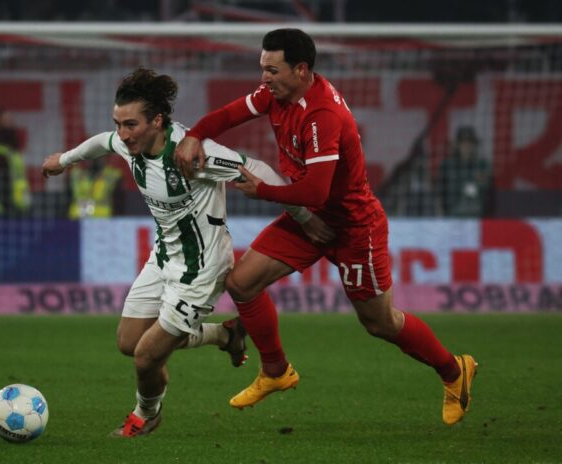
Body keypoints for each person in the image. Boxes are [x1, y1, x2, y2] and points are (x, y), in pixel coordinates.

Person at [175, 28, 477, 426]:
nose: (264, 77)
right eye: (262, 68)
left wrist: (262, 190)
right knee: (242, 282)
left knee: (379, 323)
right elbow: (230, 114)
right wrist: (195, 135)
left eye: (272, 69)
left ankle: (454, 371)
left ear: (300, 70)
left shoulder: (321, 115)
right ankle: (275, 370)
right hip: (309, 218)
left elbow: (316, 191)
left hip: (353, 227)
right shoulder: (276, 94)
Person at [41, 67, 331, 438]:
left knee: (147, 357)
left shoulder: (194, 153)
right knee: (129, 344)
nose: (123, 133)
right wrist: (64, 160)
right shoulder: (127, 141)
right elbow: (101, 142)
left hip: (202, 270)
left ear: (157, 120)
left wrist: (305, 217)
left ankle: (146, 416)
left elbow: (255, 169)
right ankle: (225, 336)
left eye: (131, 124)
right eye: (119, 123)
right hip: (162, 258)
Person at [0, 108, 32, 217]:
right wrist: (6, 205)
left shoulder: (12, 147)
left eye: (11, 118)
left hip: (17, 204)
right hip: (1, 209)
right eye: (6, 119)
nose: (11, 121)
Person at [437, 126, 492, 217]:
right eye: (463, 143)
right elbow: (442, 192)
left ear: (474, 145)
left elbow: (484, 191)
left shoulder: (482, 165)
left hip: (476, 214)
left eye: (470, 143)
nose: (467, 147)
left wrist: (467, 188)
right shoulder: (446, 166)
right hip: (452, 214)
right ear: (457, 145)